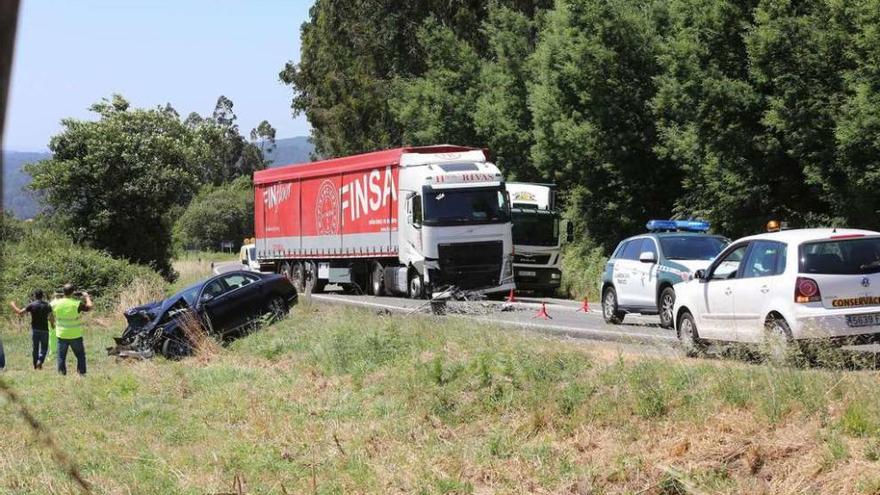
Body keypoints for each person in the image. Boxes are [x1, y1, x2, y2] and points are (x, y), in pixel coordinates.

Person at [50, 284, 93, 375]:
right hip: (75, 334)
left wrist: (52, 322)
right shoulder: (76, 303)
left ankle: (62, 374)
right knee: (80, 355)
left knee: (61, 356)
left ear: (63, 292)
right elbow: (89, 307)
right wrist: (87, 297)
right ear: (73, 292)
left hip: (61, 334)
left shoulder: (56, 303)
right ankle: (81, 373)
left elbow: (49, 311)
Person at [9, 289, 55, 369]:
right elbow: (51, 317)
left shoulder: (32, 305)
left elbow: (20, 312)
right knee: (44, 348)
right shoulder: (47, 305)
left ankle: (35, 365)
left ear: (34, 296)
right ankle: (40, 361)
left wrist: (13, 305)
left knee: (35, 348)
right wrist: (52, 324)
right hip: (44, 330)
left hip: (35, 330)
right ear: (42, 296)